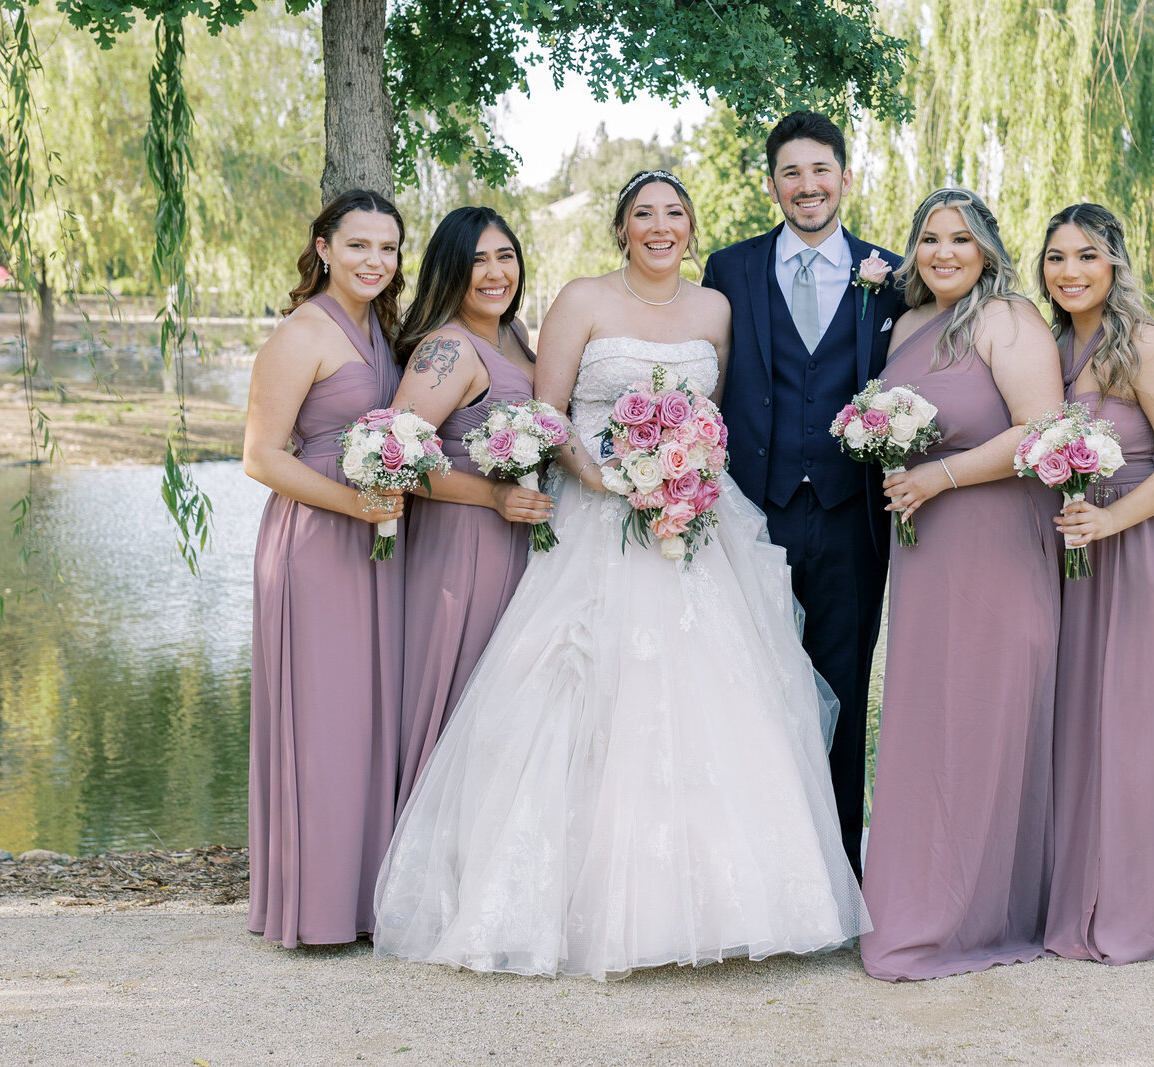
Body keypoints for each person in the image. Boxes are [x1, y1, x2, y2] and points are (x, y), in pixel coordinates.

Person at [371, 171, 867, 980]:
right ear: (622, 227)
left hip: (693, 521)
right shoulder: (580, 300)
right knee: (580, 689)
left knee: (721, 695)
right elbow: (549, 407)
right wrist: (599, 475)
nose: (660, 226)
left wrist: (688, 468)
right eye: (644, 214)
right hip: (596, 513)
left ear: (690, 225)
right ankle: (568, 903)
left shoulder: (715, 309)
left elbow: (725, 413)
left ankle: (726, 902)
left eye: (674, 212)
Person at [857, 188, 1065, 981]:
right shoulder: (907, 326)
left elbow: (1042, 429)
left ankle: (974, 913)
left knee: (985, 712)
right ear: (913, 250)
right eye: (930, 239)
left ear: (987, 248)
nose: (944, 252)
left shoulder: (1007, 318)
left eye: (961, 239)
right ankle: (915, 896)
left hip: (996, 541)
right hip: (923, 548)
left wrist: (939, 475)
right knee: (925, 716)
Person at [702, 111, 906, 876]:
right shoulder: (730, 268)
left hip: (853, 518)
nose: (807, 185)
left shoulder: (892, 273)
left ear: (845, 177)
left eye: (820, 170)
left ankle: (838, 877)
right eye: (791, 172)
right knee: (750, 686)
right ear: (772, 184)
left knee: (844, 690)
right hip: (753, 512)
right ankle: (758, 873)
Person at [1039, 202, 1154, 964]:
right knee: (1084, 726)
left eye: (1085, 255)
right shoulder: (1049, 348)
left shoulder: (1142, 345)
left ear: (1113, 262)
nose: (1070, 271)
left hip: (1144, 549)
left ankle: (1150, 911)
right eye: (1055, 257)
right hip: (1078, 553)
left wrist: (1114, 523)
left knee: (1143, 731)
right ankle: (1083, 897)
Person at [243, 189, 407, 947]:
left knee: (371, 715)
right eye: (359, 245)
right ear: (323, 246)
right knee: (325, 718)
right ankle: (313, 907)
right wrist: (354, 505)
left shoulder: (384, 329)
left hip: (376, 540)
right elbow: (261, 456)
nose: (375, 260)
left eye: (388, 247)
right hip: (315, 541)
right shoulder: (302, 331)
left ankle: (364, 899)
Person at [388, 207, 551, 814]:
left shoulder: (510, 336)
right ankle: (426, 872)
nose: (494, 272)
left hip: (517, 539)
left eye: (504, 256)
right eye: (477, 259)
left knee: (506, 705)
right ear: (449, 270)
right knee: (460, 696)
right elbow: (398, 455)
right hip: (464, 544)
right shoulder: (449, 348)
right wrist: (493, 495)